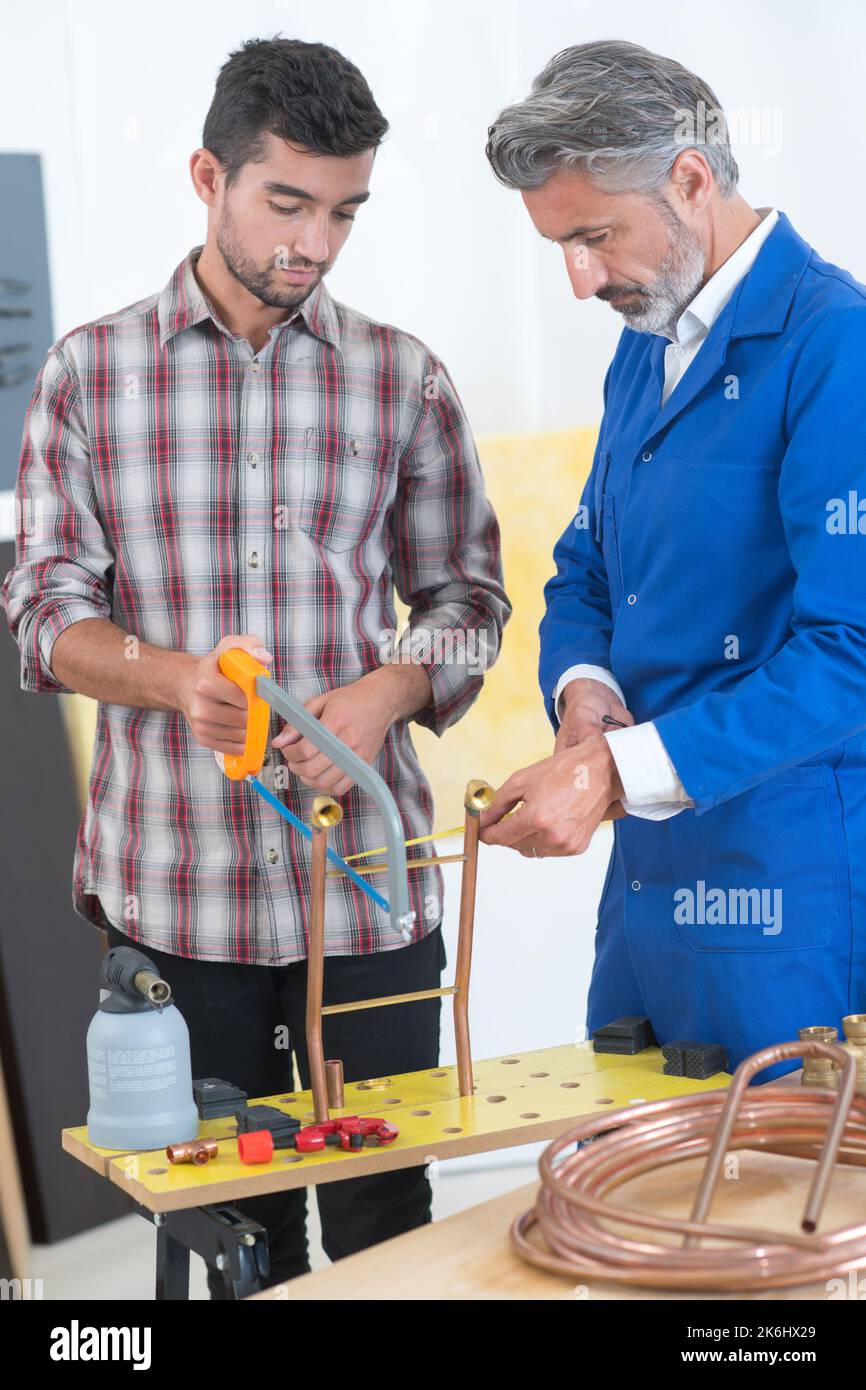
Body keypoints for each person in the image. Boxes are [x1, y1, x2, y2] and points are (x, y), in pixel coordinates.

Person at [2, 36, 509, 1291]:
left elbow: (467, 602)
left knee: (387, 1209)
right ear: (206, 177)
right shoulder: (86, 374)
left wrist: (385, 691)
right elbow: (41, 609)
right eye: (285, 202)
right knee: (232, 1232)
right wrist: (174, 679)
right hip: (174, 906)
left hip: (368, 897)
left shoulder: (403, 379)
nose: (315, 244)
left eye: (343, 212)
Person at [480, 39, 866, 1077]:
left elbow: (851, 654)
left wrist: (613, 770)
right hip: (645, 898)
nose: (578, 280)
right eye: (558, 245)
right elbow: (584, 565)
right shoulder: (645, 342)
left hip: (788, 901)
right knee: (634, 1188)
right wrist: (585, 695)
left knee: (789, 1206)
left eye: (594, 236)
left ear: (690, 180)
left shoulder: (836, 348)